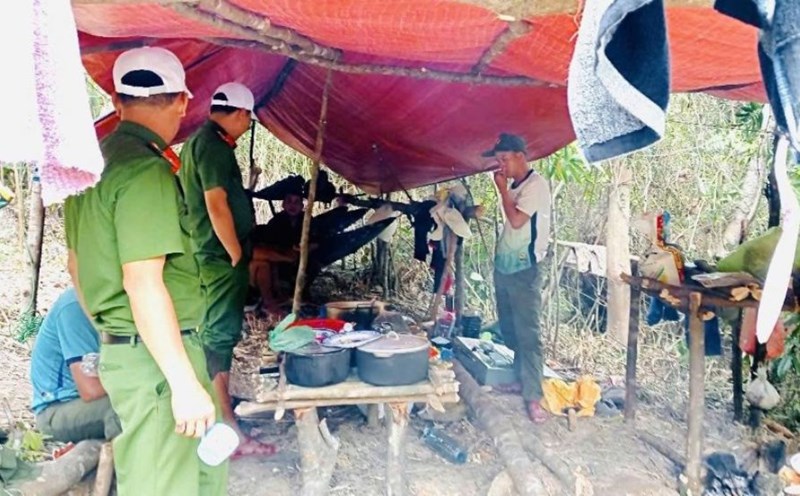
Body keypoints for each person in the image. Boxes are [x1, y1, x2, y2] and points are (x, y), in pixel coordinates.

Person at [69, 47, 227, 495]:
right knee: (164, 486)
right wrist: (181, 382)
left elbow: (76, 266)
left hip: (137, 353)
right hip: (159, 363)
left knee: (192, 477)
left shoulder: (92, 167)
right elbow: (143, 282)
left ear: (118, 103)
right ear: (183, 101)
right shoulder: (145, 172)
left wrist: (112, 333)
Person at [179, 82, 274, 458]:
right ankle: (226, 428)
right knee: (218, 338)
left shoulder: (199, 142)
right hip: (219, 258)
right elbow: (215, 203)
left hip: (210, 255)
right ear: (237, 113)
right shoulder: (214, 146)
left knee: (217, 335)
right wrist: (235, 251)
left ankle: (223, 417)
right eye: (247, 119)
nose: (247, 126)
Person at [483, 133, 551, 424]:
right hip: (505, 267)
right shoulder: (515, 186)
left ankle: (534, 396)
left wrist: (501, 192)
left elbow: (517, 221)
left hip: (525, 270)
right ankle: (520, 380)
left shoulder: (536, 186)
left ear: (521, 156)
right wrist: (506, 189)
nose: (501, 165)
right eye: (498, 160)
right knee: (510, 328)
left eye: (504, 159)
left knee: (529, 333)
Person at [30, 287, 121, 443]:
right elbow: (90, 390)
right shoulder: (74, 306)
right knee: (126, 407)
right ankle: (129, 465)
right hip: (57, 410)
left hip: (91, 403)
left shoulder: (114, 304)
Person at [249, 191, 306, 311]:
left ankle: (275, 298)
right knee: (263, 263)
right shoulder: (276, 223)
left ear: (302, 206)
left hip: (295, 259)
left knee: (267, 264)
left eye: (296, 202)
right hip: (247, 271)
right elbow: (261, 251)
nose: (292, 206)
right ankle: (269, 303)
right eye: (289, 201)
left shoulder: (306, 220)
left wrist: (303, 249)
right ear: (283, 204)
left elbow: (316, 241)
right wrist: (288, 257)